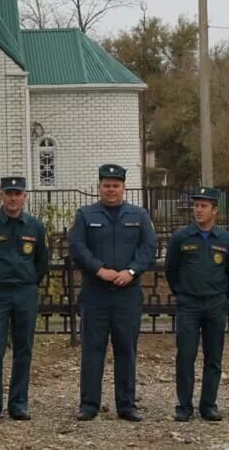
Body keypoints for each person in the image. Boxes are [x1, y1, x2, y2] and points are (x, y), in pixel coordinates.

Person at [69, 164, 157, 422]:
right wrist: (99, 270)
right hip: (95, 293)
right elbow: (77, 247)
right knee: (92, 350)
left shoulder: (139, 215)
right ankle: (89, 404)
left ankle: (126, 405)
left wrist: (131, 271)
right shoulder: (86, 215)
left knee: (126, 350)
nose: (111, 190)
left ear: (123, 187)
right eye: (106, 185)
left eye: (115, 185)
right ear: (100, 187)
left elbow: (149, 247)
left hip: (126, 295)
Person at [0, 176, 49, 424]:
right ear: (0, 195)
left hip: (25, 292)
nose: (13, 198)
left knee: (23, 348)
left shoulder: (35, 227)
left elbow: (41, 262)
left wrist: (29, 282)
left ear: (25, 196)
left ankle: (19, 403)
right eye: (8, 193)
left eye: (17, 193)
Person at [164, 186, 229, 422]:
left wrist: (222, 295)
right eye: (196, 205)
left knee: (213, 356)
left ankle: (208, 405)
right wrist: (182, 292)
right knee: (185, 355)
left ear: (214, 210)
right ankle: (184, 406)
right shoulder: (181, 238)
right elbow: (171, 270)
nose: (198, 210)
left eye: (203, 206)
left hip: (216, 303)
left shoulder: (226, 240)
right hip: (189, 304)